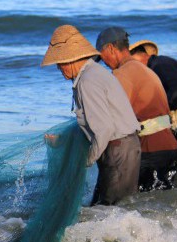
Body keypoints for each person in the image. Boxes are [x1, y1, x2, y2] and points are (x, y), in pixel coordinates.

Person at [42, 25, 141, 206]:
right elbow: (94, 125)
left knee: (111, 211)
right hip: (122, 148)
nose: (58, 68)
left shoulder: (87, 81)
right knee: (108, 208)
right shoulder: (93, 73)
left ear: (71, 59)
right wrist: (63, 141)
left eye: (59, 62)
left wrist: (85, 161)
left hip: (118, 150)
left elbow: (104, 129)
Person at [96, 27, 177, 191]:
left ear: (111, 49)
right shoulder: (145, 70)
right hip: (170, 147)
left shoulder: (122, 73)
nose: (104, 63)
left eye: (102, 57)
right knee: (161, 206)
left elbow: (112, 117)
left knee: (138, 206)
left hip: (152, 150)